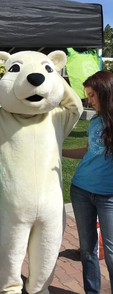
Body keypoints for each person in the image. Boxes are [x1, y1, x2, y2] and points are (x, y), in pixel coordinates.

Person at [62, 70, 113, 293]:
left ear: (105, 93)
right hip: (81, 190)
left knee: (111, 252)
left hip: (108, 196)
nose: (88, 100)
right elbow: (89, 151)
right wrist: (60, 152)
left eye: (92, 95)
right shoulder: (95, 121)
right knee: (88, 249)